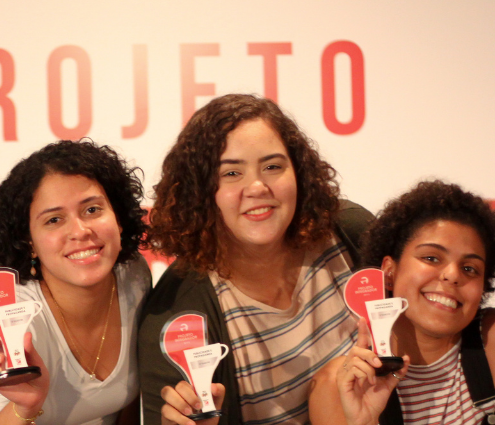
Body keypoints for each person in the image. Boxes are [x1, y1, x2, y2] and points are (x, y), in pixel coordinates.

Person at [138, 94, 374, 425]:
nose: (258, 186)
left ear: (299, 172)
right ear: (201, 192)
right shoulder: (176, 310)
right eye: (232, 173)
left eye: (273, 167)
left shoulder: (349, 232)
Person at [0, 140, 151, 425]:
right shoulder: (12, 313)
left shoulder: (134, 276)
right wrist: (25, 408)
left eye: (92, 210)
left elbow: (128, 403)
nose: (80, 231)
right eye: (54, 220)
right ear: (29, 242)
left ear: (118, 218)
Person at [308, 180, 495, 425]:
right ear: (389, 272)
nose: (452, 275)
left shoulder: (490, 340)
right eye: (431, 258)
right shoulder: (338, 387)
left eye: (470, 268)